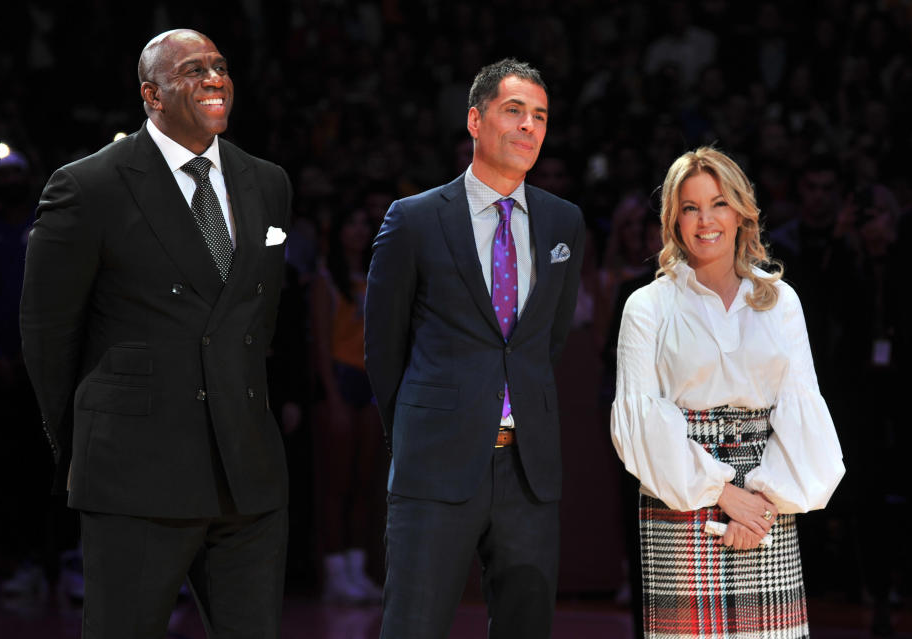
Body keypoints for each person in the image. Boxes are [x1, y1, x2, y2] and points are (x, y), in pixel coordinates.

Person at [20, 29, 292, 638]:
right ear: (153, 94)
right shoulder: (88, 186)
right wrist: (85, 442)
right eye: (193, 70)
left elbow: (258, 321)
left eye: (219, 66)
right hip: (137, 472)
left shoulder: (268, 181)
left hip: (247, 473)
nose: (214, 78)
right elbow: (47, 331)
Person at [364, 58, 585, 639]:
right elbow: (383, 349)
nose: (528, 127)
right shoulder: (412, 220)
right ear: (474, 120)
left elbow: (545, 343)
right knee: (412, 627)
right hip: (435, 464)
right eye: (514, 111)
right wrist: (420, 431)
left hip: (528, 471)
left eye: (539, 116)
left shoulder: (565, 222)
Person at [610, 146, 844, 638]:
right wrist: (721, 492)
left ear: (741, 211)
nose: (705, 220)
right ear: (673, 219)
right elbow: (639, 426)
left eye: (718, 203)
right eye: (690, 207)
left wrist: (759, 499)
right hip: (681, 500)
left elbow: (803, 412)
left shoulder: (780, 301)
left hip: (768, 501)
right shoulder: (646, 306)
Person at [310, 206, 384, 603]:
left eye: (364, 224)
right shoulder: (326, 279)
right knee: (335, 484)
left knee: (364, 482)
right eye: (351, 222)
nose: (358, 230)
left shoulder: (377, 275)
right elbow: (321, 345)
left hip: (369, 382)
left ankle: (358, 572)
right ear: (337, 232)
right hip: (338, 380)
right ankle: (335, 571)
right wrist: (332, 396)